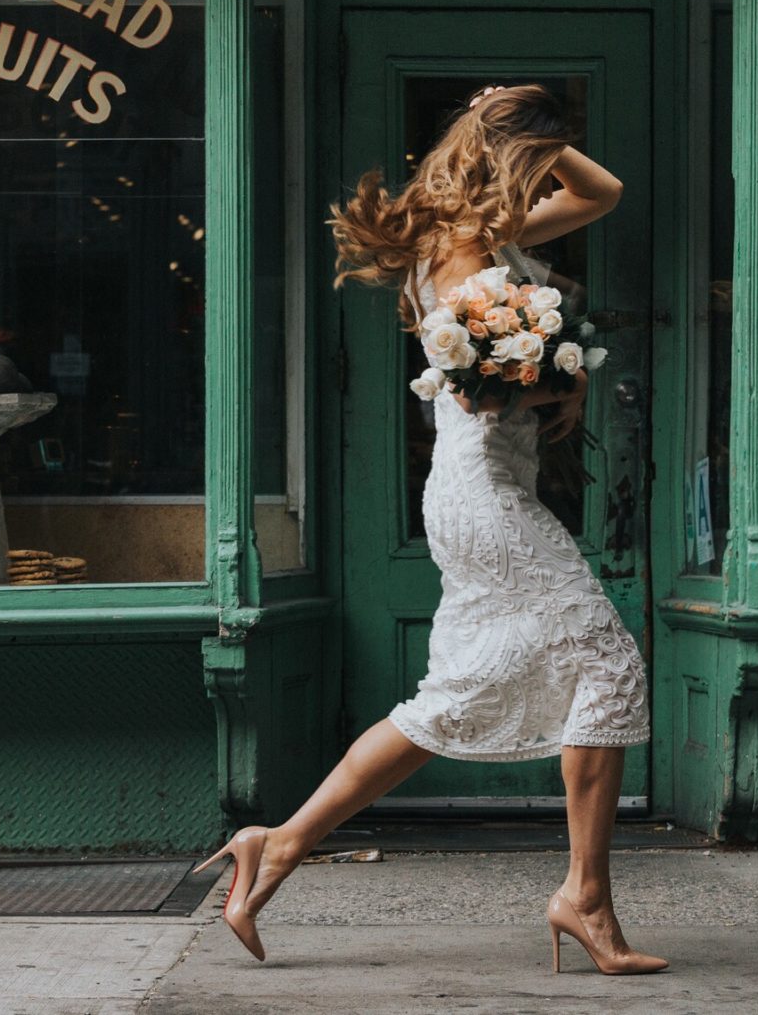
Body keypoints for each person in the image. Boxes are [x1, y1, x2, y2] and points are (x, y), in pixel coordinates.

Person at [192, 83, 665, 976]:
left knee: (456, 692)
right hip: (484, 488)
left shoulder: (489, 236)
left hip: (479, 486)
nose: (543, 186)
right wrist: (565, 383)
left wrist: (530, 135)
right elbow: (480, 381)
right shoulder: (459, 250)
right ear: (507, 167)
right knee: (606, 661)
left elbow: (602, 194)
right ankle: (585, 898)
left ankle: (279, 841)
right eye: (534, 166)